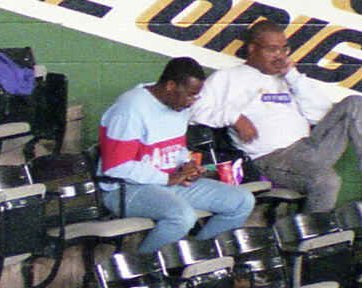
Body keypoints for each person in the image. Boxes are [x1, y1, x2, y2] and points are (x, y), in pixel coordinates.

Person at [191, 22, 362, 211]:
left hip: (309, 147)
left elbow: (320, 114)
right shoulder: (227, 78)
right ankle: (316, 241)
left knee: (355, 104)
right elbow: (195, 112)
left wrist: (293, 77)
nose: (279, 56)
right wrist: (234, 117)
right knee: (326, 181)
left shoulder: (285, 77)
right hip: (272, 158)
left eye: (283, 48)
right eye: (272, 49)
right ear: (252, 49)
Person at [97, 56, 255, 253]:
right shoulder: (130, 108)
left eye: (195, 97)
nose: (191, 102)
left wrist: (187, 164)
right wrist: (168, 178)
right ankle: (141, 269)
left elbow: (177, 148)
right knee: (182, 217)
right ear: (170, 85)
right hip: (124, 188)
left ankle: (197, 257)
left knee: (242, 201)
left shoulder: (178, 105)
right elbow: (116, 166)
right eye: (189, 95)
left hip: (167, 182)